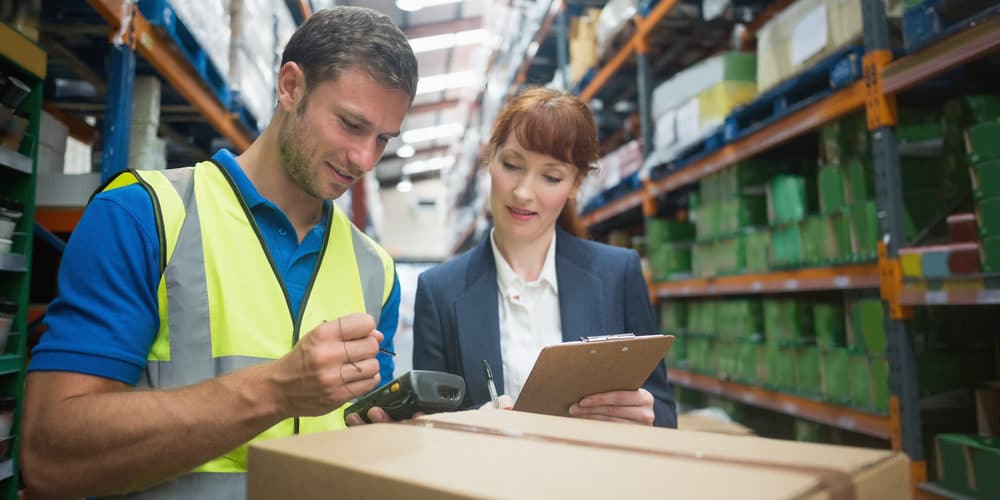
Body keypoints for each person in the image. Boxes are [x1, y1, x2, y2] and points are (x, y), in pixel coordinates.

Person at [20, 7, 418, 499]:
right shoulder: (145, 216)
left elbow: (361, 441)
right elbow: (49, 456)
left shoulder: (376, 271)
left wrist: (396, 437)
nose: (364, 159)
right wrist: (276, 391)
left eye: (382, 139)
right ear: (291, 87)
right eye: (351, 124)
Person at [413, 87, 677, 427]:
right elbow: (427, 429)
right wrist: (467, 427)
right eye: (512, 165)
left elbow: (665, 414)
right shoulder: (439, 292)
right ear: (490, 158)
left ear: (576, 184)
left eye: (551, 177)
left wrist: (647, 417)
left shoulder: (617, 275)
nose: (523, 192)